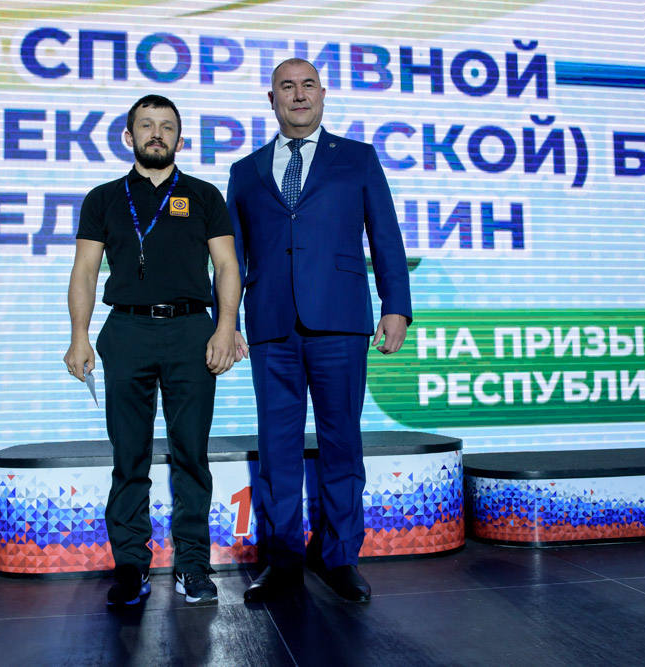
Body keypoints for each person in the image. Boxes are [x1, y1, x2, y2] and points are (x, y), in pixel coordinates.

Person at [225, 59, 413, 602]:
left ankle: (340, 557)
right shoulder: (245, 170)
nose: (299, 94)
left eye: (308, 85)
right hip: (270, 326)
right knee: (276, 447)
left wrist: (396, 306)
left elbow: (385, 235)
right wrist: (226, 321)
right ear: (272, 99)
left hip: (340, 320)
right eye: (287, 86)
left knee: (342, 442)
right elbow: (231, 257)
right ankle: (282, 559)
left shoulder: (357, 158)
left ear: (323, 94)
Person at [64, 94, 241, 607]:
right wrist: (79, 334)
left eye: (166, 126)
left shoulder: (204, 195)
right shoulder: (103, 198)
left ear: (180, 141)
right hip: (127, 331)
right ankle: (131, 566)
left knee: (191, 455)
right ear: (129, 136)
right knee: (129, 456)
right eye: (146, 125)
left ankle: (193, 565)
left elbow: (227, 267)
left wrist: (225, 327)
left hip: (190, 331)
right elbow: (85, 271)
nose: (156, 133)